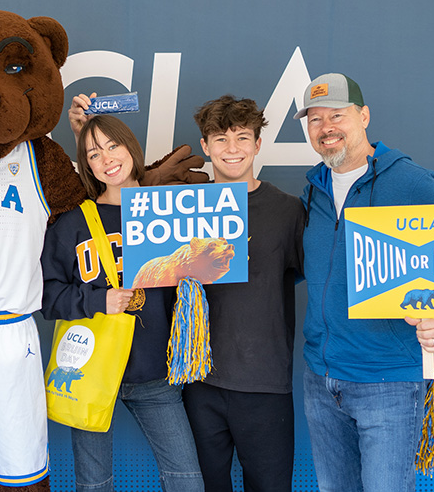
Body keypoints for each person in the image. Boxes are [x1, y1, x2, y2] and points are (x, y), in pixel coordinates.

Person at [294, 73, 434, 492]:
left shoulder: (412, 182)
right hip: (321, 376)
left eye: (337, 115)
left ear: (363, 116)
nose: (326, 127)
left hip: (386, 381)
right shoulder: (313, 191)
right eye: (315, 120)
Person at [41, 113, 204, 491]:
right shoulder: (72, 223)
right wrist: (98, 299)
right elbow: (47, 297)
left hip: (154, 372)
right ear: (86, 165)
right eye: (94, 153)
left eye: (113, 146)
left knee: (186, 479)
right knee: (94, 483)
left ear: (131, 148)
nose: (107, 158)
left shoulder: (168, 211)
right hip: (90, 372)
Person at [180, 95, 305, 492]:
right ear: (205, 146)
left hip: (264, 383)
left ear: (257, 144)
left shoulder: (288, 212)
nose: (231, 149)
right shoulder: (181, 209)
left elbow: (312, 276)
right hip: (198, 381)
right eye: (219, 139)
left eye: (241, 138)